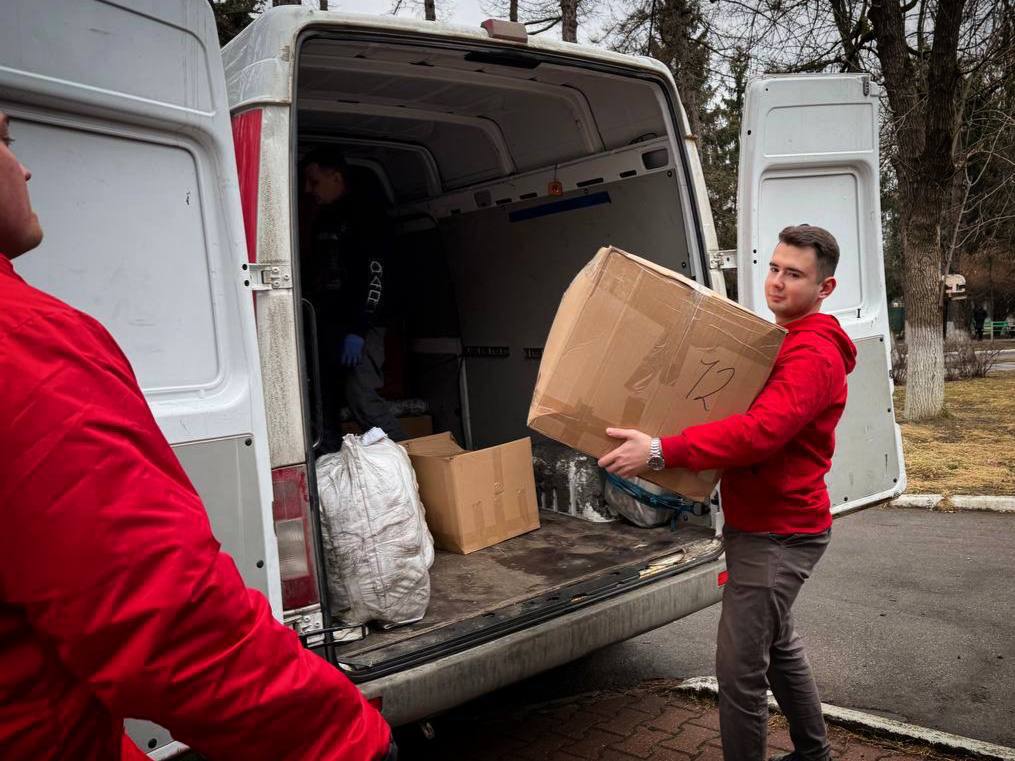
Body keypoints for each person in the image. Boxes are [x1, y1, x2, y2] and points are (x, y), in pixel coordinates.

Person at [0, 112, 396, 760]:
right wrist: (345, 742)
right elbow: (160, 618)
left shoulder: (364, 218)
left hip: (351, 327)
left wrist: (359, 322)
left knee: (368, 400)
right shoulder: (21, 349)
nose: (24, 166)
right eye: (6, 143)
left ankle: (393, 457)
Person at [599, 224, 856, 761]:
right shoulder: (785, 340)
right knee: (779, 649)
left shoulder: (812, 354)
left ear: (825, 288)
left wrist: (661, 450)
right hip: (763, 526)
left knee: (739, 671)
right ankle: (814, 754)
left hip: (779, 534)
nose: (777, 283)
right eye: (774, 268)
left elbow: (761, 431)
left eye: (795, 274)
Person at [301, 147, 405, 446]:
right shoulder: (324, 220)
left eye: (314, 181)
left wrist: (359, 329)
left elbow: (376, 276)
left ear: (335, 176)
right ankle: (329, 464)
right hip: (328, 327)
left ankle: (408, 461)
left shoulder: (367, 215)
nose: (309, 189)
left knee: (362, 396)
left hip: (363, 326)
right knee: (324, 402)